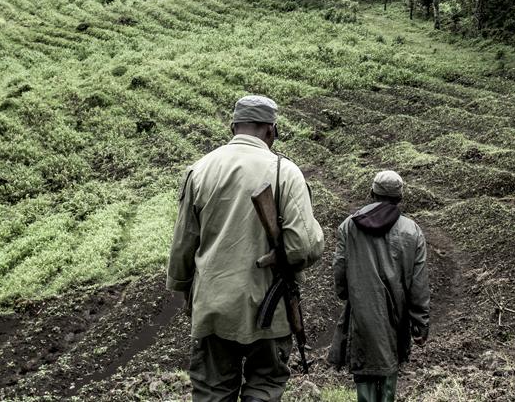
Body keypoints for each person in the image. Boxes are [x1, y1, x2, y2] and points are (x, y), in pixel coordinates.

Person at [167, 95, 324, 402]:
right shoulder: (285, 172)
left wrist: (187, 291)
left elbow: (183, 245)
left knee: (212, 391)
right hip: (269, 307)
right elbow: (302, 246)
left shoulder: (199, 170)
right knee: (265, 386)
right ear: (271, 131)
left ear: (233, 127)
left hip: (213, 307)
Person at [328, 170, 430, 402]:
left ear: (371, 193)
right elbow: (419, 283)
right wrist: (420, 323)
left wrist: (348, 294)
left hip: (361, 313)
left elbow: (340, 269)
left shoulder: (349, 226)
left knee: (363, 368)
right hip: (396, 316)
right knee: (388, 367)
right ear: (400, 197)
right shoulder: (412, 231)